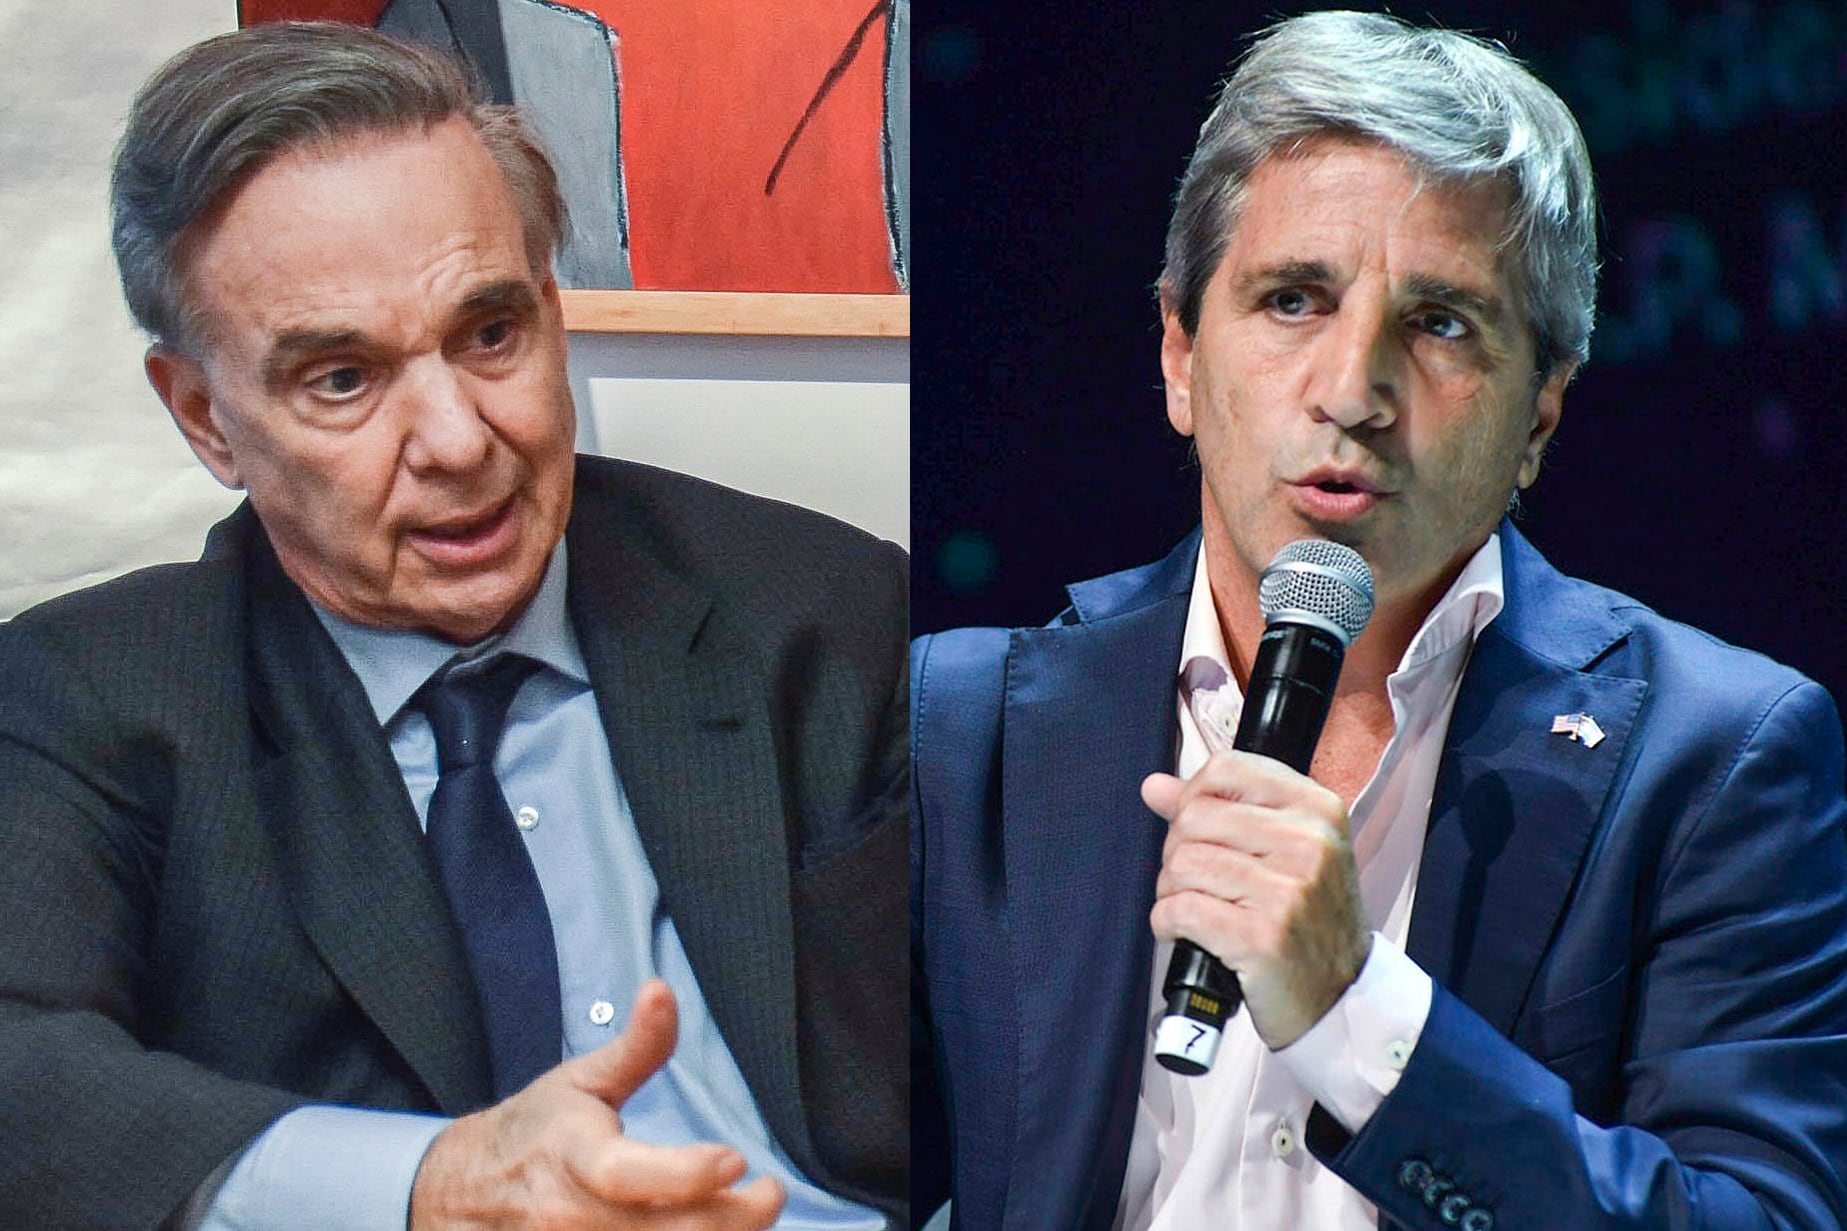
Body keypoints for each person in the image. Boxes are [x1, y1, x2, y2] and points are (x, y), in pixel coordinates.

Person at [910, 11, 1847, 1230]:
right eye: (1293, 299)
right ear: (1180, 355)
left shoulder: (1717, 757)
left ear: (1539, 412)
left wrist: (1353, 1011)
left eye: (1438, 321)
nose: (1352, 391)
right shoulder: (954, 727)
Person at [0, 22, 906, 1231]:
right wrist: (428, 1188)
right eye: (343, 378)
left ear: (550, 309)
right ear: (206, 419)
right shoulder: (88, 698)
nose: (458, 440)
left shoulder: (824, 609)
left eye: (489, 336)